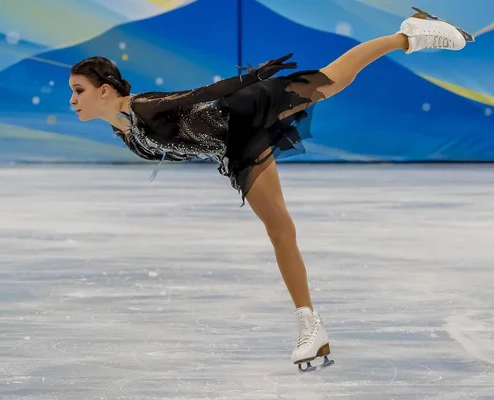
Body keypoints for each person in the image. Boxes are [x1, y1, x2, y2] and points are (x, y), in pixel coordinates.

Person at [68, 8, 473, 372]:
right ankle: (311, 327)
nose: (73, 100)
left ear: (105, 90)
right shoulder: (127, 136)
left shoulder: (139, 107)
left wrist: (250, 79)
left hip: (244, 110)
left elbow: (196, 96)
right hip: (237, 145)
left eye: (79, 90)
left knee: (333, 79)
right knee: (280, 229)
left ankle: (411, 34)